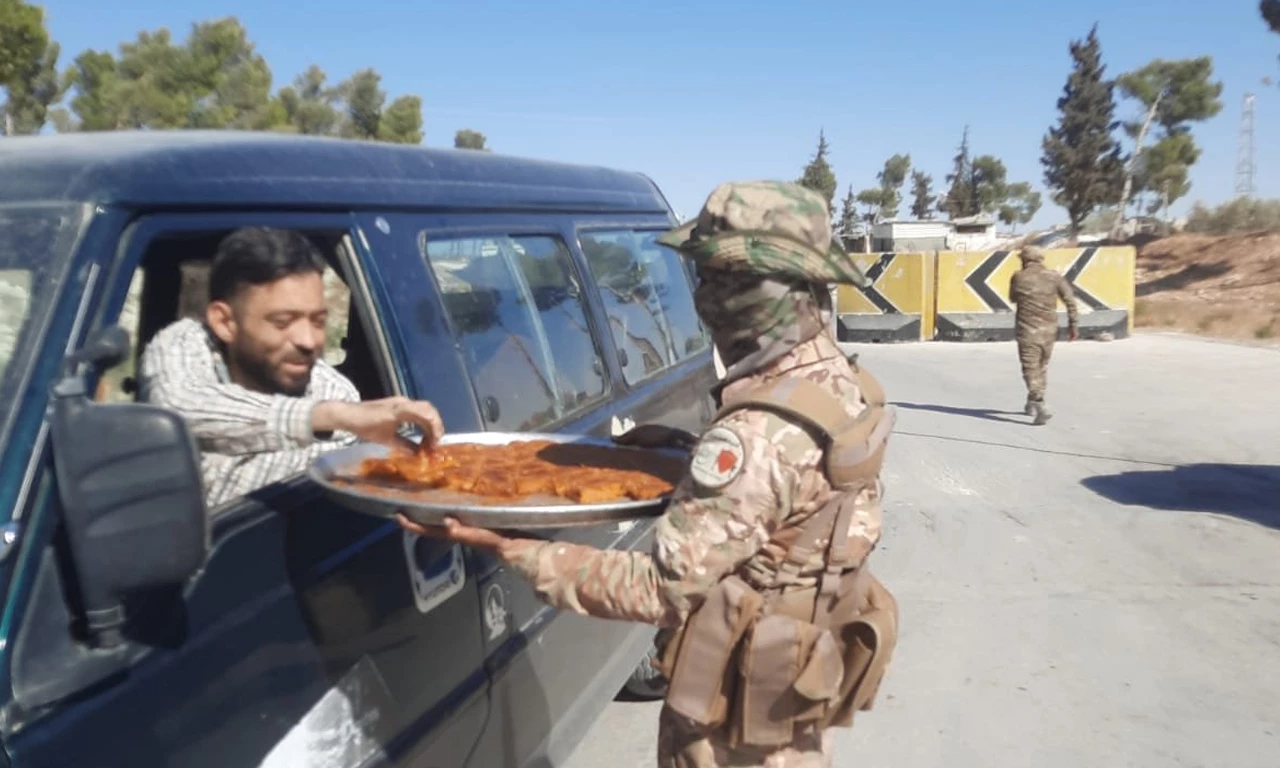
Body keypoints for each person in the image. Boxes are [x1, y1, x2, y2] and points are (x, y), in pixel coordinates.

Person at [399, 181, 901, 768]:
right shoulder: (838, 379)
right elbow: (799, 495)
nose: (704, 297)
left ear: (767, 291)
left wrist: (514, 549)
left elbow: (659, 588)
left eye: (719, 279)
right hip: (801, 671)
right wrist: (693, 456)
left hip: (739, 714)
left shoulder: (756, 432)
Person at [138, 226, 444, 507]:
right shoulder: (184, 345)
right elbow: (176, 412)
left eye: (318, 321)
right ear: (224, 322)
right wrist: (327, 418)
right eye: (282, 322)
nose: (308, 341)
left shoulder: (332, 390)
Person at [1008, 245, 1079, 425]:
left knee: (1029, 368)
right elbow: (1070, 300)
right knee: (1042, 366)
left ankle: (1039, 403)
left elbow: (1013, 298)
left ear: (1024, 260)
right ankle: (1031, 402)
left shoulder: (1018, 277)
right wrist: (1074, 325)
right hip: (1050, 330)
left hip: (1027, 330)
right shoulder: (1054, 277)